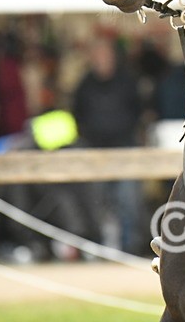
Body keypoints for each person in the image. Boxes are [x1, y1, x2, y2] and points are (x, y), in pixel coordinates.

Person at [71, 36, 144, 254]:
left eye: (106, 55)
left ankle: (131, 247)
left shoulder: (127, 81)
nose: (102, 60)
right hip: (95, 151)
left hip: (125, 150)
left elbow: (139, 112)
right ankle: (100, 247)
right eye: (98, 56)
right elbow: (78, 115)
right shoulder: (84, 85)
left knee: (128, 202)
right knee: (96, 202)